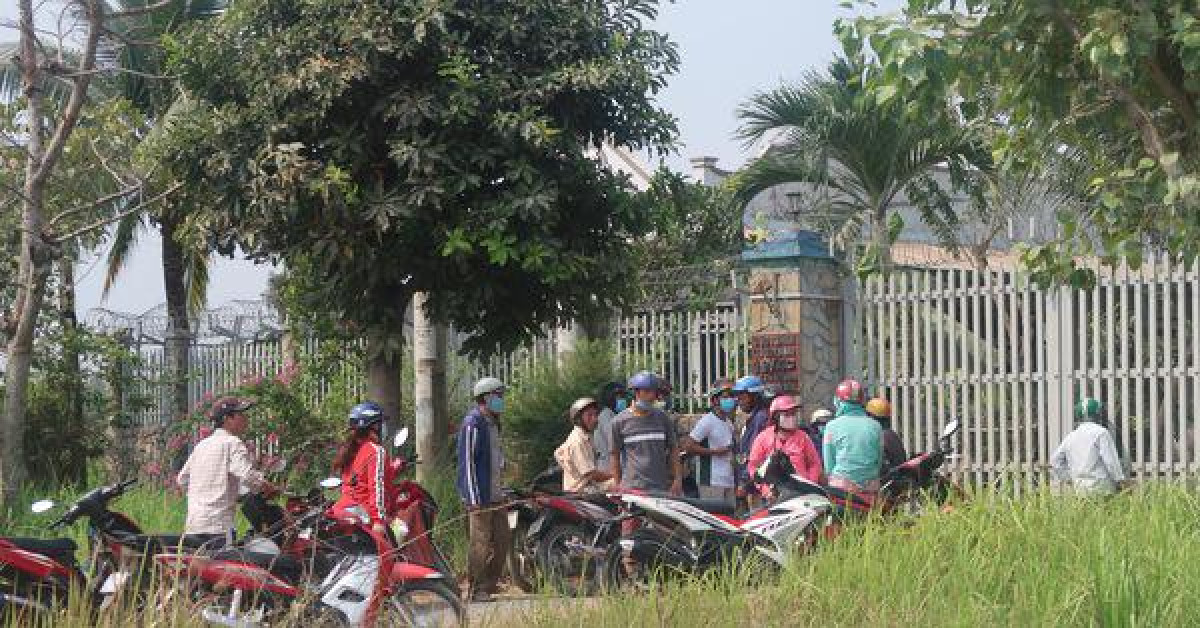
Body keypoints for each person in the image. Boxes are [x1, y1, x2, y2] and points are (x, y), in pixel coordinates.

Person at [177, 397, 277, 546]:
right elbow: (247, 475)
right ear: (227, 419)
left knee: (200, 568)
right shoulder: (232, 443)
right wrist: (267, 486)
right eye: (241, 414)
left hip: (194, 525)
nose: (246, 419)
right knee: (223, 565)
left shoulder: (202, 445)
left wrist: (205, 495)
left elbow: (182, 479)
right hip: (219, 527)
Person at [455, 376, 511, 603]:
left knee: (503, 539)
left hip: (496, 494)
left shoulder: (494, 422)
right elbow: (466, 462)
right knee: (479, 544)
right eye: (498, 396)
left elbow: (496, 457)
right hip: (479, 497)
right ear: (486, 398)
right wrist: (473, 496)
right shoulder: (473, 423)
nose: (501, 400)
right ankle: (475, 589)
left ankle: (489, 584)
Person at [609, 371, 682, 496]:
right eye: (647, 392)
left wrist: (677, 479)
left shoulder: (663, 418)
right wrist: (617, 484)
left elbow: (673, 449)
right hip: (632, 490)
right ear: (636, 393)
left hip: (660, 489)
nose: (652, 396)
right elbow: (614, 455)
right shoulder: (619, 422)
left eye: (654, 392)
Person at [331, 402, 394, 536]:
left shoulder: (350, 451)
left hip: (342, 513)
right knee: (403, 528)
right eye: (381, 424)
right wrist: (379, 521)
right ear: (374, 427)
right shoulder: (376, 451)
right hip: (363, 518)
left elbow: (356, 484)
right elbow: (377, 487)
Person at [746, 395, 823, 500]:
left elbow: (814, 463)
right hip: (774, 496)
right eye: (787, 414)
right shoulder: (763, 438)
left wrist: (809, 484)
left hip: (801, 494)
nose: (792, 418)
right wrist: (765, 490)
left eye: (794, 414)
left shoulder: (803, 437)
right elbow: (753, 467)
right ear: (776, 417)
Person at [1049, 398, 1129, 496]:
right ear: (1098, 414)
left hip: (1080, 489)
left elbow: (1054, 460)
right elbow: (1110, 461)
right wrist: (1120, 481)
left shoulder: (1071, 436)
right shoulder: (1101, 433)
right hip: (1102, 489)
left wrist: (1068, 478)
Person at [682, 379, 738, 505]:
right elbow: (688, 446)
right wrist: (715, 452)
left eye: (732, 396)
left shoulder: (728, 422)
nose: (730, 400)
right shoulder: (707, 421)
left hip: (728, 480)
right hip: (711, 481)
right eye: (725, 397)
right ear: (715, 400)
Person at [823, 379, 884, 494]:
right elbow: (878, 461)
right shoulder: (876, 426)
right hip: (870, 486)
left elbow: (829, 465)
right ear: (862, 402)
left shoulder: (831, 426)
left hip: (842, 487)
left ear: (839, 402)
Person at [554, 397, 614, 492]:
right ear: (578, 419)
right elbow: (591, 474)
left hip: (590, 486)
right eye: (589, 415)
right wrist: (615, 474)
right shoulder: (577, 441)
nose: (594, 419)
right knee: (621, 484)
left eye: (595, 415)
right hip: (582, 491)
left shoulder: (586, 436)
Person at [733, 375, 770, 507]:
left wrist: (743, 483)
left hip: (756, 485)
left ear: (755, 397)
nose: (739, 401)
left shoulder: (760, 418)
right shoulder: (755, 418)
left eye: (743, 397)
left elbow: (752, 454)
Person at [866, 397, 908, 473]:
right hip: (899, 477)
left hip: (888, 480)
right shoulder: (892, 434)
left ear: (871, 416)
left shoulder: (879, 436)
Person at [593, 381, 628, 471]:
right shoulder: (606, 416)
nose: (622, 400)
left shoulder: (613, 415)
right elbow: (616, 441)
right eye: (619, 397)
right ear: (610, 398)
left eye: (623, 397)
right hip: (609, 468)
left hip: (614, 466)